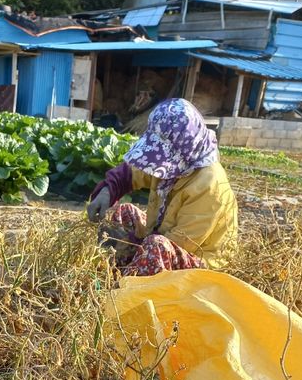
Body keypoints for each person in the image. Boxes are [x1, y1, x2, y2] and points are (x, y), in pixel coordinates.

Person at [87, 98, 238, 276]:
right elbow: (134, 173)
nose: (159, 165)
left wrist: (129, 243)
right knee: (125, 211)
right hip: (160, 236)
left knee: (156, 246)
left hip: (200, 260)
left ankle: (123, 286)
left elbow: (181, 243)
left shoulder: (210, 185)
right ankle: (121, 267)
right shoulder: (177, 165)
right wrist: (108, 190)